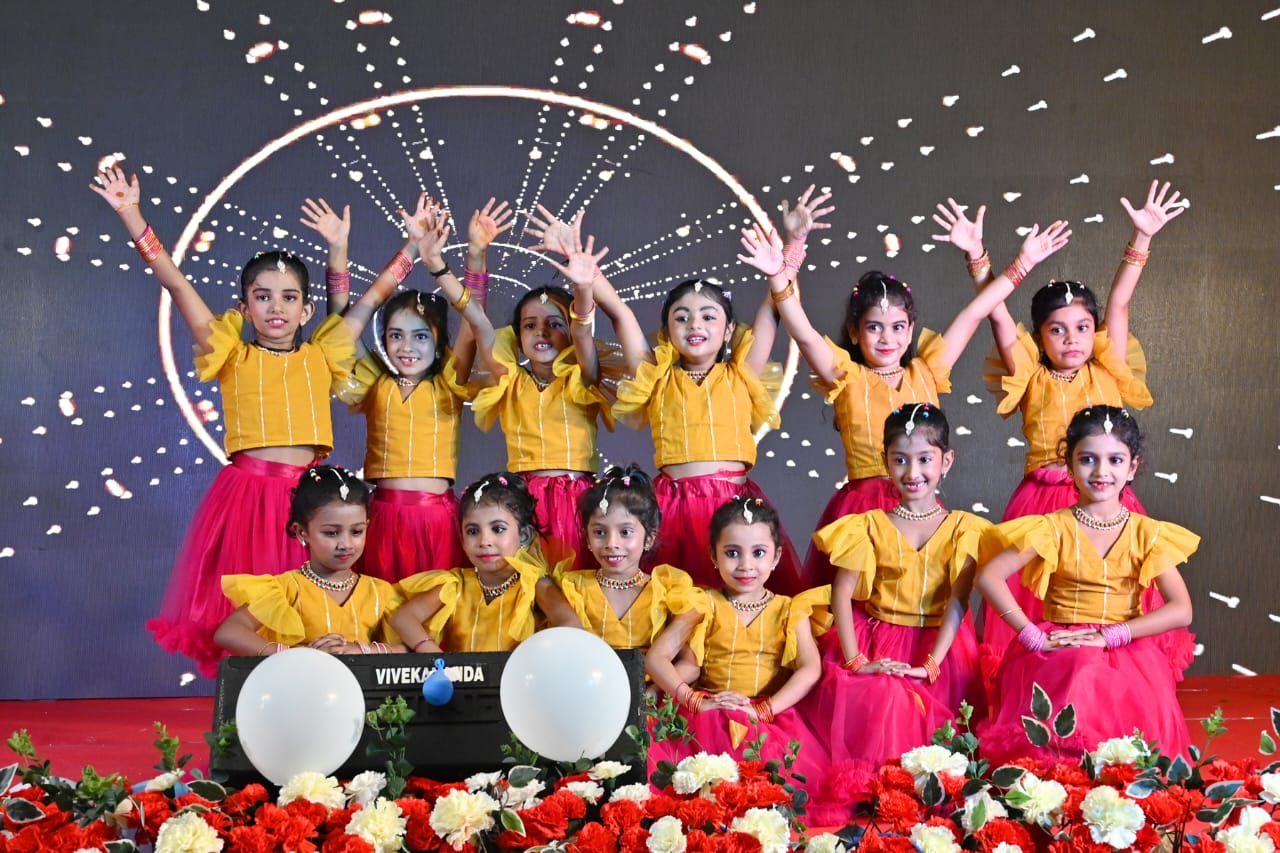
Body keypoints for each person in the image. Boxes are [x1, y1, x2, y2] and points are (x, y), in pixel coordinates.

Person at [92, 167, 359, 677]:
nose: (276, 307)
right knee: (252, 617)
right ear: (244, 306)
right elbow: (175, 283)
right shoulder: (231, 353)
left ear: (307, 311)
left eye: (289, 297)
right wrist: (131, 214)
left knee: (311, 616)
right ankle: (249, 708)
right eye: (263, 296)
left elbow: (349, 308)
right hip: (249, 502)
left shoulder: (323, 354)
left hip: (311, 500)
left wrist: (338, 250)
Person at [737, 185, 1070, 586]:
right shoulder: (846, 375)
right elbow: (804, 333)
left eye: (897, 327)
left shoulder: (927, 371)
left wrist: (1009, 260)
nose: (887, 338)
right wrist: (789, 258)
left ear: (911, 329)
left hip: (920, 507)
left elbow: (975, 312)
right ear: (855, 333)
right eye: (874, 328)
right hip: (861, 513)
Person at [932, 181, 1192, 682]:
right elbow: (997, 316)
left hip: (1107, 502)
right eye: (1056, 329)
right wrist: (977, 257)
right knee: (1040, 607)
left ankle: (1113, 689)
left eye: (1081, 327)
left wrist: (1142, 239)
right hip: (1042, 505)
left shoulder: (1108, 369)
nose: (1071, 338)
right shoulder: (1029, 374)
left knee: (1117, 598)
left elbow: (1119, 304)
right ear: (1039, 337)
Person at [535, 211, 805, 593]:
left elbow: (773, 310)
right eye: (682, 318)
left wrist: (792, 249)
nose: (695, 325)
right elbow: (620, 313)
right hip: (671, 508)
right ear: (667, 330)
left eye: (708, 317)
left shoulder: (741, 373)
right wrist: (579, 261)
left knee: (734, 603)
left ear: (728, 329)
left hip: (732, 507)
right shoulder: (656, 376)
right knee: (672, 605)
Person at [974, 406, 1197, 766]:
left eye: (1115, 460)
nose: (1101, 471)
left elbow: (1181, 609)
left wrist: (1112, 636)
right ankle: (1066, 775)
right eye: (1087, 459)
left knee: (1096, 672)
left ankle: (1110, 775)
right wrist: (1031, 635)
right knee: (1078, 664)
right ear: (1069, 464)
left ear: (1132, 467)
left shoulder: (1147, 533)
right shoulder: (1053, 528)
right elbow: (989, 577)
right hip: (1060, 643)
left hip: (1123, 646)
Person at [800, 404, 991, 822]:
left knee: (938, 745)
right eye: (900, 460)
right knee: (884, 697)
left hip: (940, 647)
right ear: (885, 461)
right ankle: (881, 801)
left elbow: (958, 602)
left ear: (946, 461)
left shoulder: (965, 529)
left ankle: (923, 800)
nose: (912, 472)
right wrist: (856, 661)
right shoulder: (868, 525)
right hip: (876, 639)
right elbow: (841, 594)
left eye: (925, 459)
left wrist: (931, 664)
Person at [305, 195, 506, 580]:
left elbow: (474, 319)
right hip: (381, 519)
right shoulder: (375, 382)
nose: (406, 347)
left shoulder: (450, 381)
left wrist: (476, 255)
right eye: (395, 335)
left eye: (420, 336)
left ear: (439, 342)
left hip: (438, 522)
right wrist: (404, 250)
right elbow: (341, 327)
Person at [461, 207, 618, 571]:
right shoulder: (510, 379)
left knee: (573, 587)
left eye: (554, 324)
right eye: (530, 325)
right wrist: (476, 253)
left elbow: (583, 330)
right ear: (517, 337)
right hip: (521, 503)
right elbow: (476, 319)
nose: (542, 332)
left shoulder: (583, 376)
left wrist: (582, 284)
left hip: (578, 502)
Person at [646, 497, 829, 773]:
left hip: (767, 718)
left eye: (758, 553)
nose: (745, 565)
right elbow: (657, 657)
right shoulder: (703, 604)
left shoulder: (790, 609)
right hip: (709, 716)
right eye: (732, 553)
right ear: (713, 556)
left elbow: (810, 668)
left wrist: (762, 710)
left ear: (776, 556)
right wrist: (693, 701)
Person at [215, 466, 403, 656]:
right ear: (302, 532)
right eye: (331, 533)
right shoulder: (285, 589)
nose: (345, 544)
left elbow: (409, 648)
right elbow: (229, 632)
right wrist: (301, 656)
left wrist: (361, 650)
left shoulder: (380, 592)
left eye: (356, 531)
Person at [390, 472, 582, 652]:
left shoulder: (535, 584)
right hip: (462, 677)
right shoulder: (456, 585)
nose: (484, 541)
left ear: (524, 536)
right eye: (473, 531)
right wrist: (433, 654)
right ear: (462, 538)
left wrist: (536, 658)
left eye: (498, 529)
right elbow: (403, 618)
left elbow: (571, 625)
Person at [556, 465, 695, 656]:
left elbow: (688, 662)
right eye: (600, 532)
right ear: (587, 538)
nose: (611, 543)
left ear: (649, 538)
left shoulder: (668, 591)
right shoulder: (573, 589)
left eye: (625, 532)